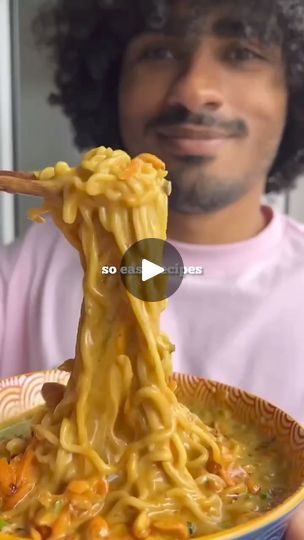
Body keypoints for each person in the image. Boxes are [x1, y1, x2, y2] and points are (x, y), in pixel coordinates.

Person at [0, 1, 304, 536]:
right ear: (112, 79)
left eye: (241, 51)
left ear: (294, 90)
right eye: (159, 51)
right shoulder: (18, 274)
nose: (194, 89)